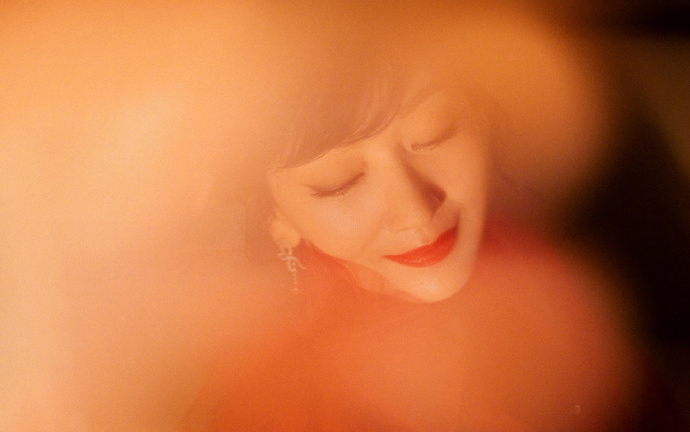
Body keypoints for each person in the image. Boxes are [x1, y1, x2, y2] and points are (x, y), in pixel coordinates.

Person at [180, 4, 682, 431]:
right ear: (275, 216)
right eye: (340, 182)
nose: (415, 211)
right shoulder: (271, 394)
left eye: (434, 133)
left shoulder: (558, 271)